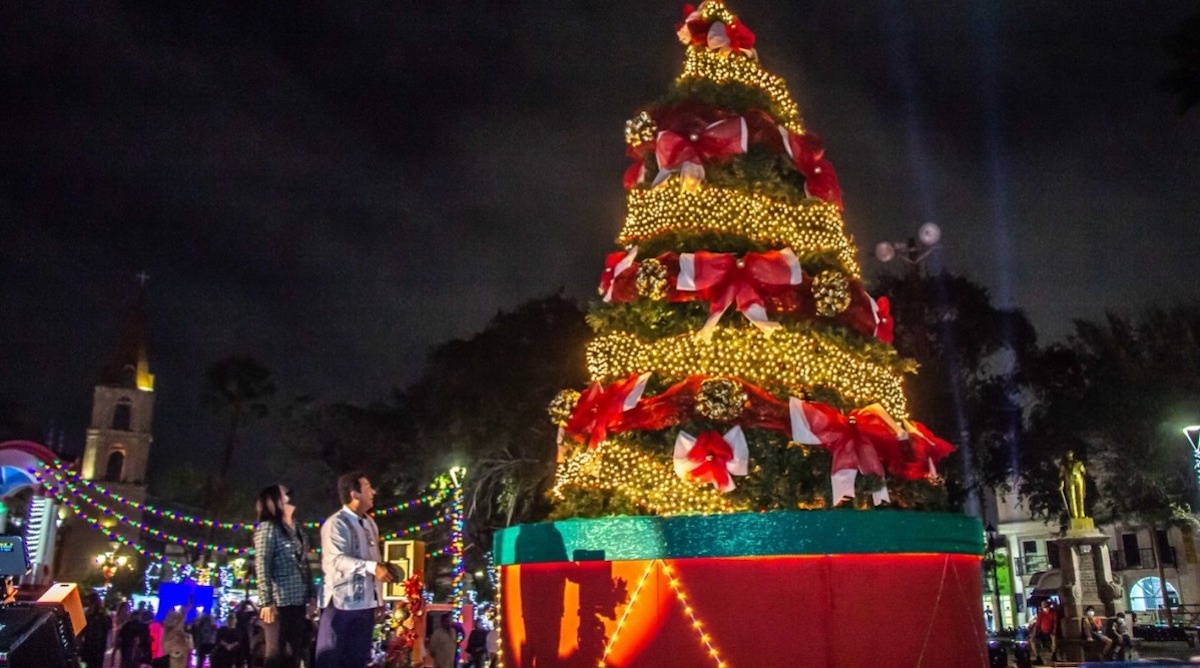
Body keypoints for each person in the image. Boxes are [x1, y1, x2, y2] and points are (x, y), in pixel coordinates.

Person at [314, 472, 396, 668]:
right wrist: (372, 567)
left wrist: (379, 600)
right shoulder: (337, 523)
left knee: (358, 660)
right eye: (367, 487)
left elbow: (375, 560)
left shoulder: (370, 523)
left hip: (365, 606)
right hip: (341, 603)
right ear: (354, 494)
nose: (373, 492)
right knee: (330, 658)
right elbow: (336, 560)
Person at [254, 484, 315, 668]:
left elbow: (305, 564)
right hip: (278, 602)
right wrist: (266, 601)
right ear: (273, 501)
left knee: (294, 654)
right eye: (285, 493)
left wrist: (312, 594)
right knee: (276, 654)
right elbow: (262, 563)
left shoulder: (297, 528)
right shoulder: (267, 528)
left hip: (298, 601)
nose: (291, 495)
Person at [79, 593, 111, 668]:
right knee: (85, 664)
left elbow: (107, 628)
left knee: (89, 664)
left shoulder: (100, 615)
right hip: (91, 646)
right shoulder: (89, 614)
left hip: (95, 647)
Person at [1031, 598, 1058, 663]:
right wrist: (1034, 634)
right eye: (1044, 607)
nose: (1046, 608)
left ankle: (1054, 655)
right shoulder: (1040, 614)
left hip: (1050, 631)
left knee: (1054, 638)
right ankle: (1038, 657)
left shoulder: (1053, 612)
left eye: (1046, 607)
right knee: (1032, 641)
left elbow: (1055, 623)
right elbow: (1038, 625)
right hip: (1042, 632)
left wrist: (1054, 631)